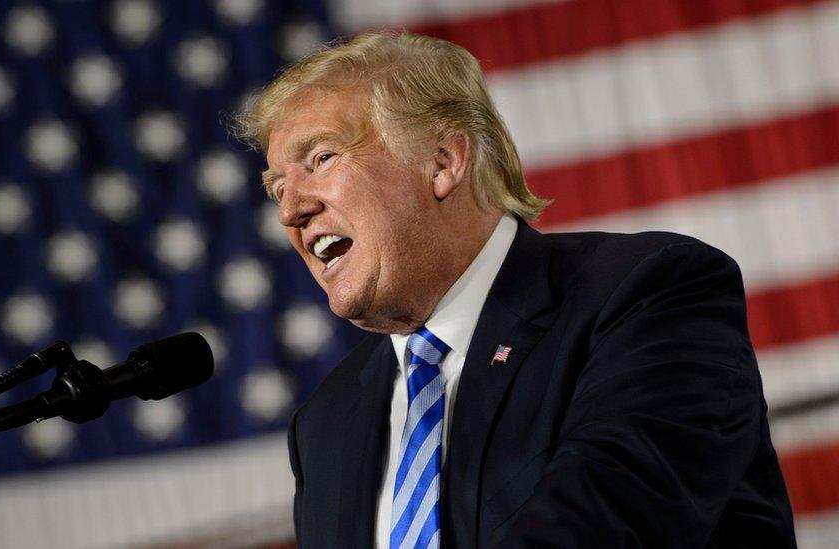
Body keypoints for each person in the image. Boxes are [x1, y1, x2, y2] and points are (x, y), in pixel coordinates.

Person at [236, 32, 796, 548]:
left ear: (442, 162)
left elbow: (601, 526)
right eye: (277, 186)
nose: (291, 210)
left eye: (322, 159)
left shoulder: (643, 293)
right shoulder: (327, 423)